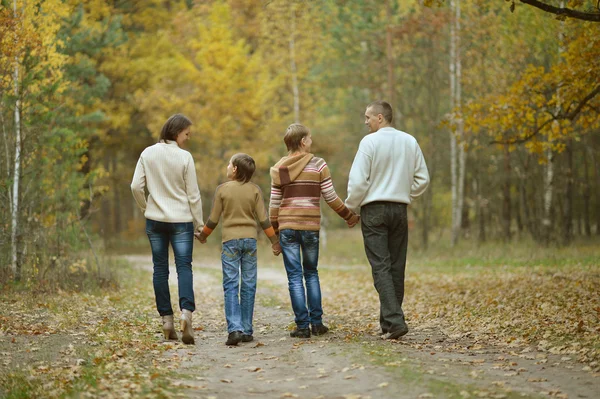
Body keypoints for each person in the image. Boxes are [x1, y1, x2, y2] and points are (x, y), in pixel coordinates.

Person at [345, 101, 429, 340]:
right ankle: (389, 323)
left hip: (374, 210)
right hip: (399, 209)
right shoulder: (409, 141)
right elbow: (423, 179)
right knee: (396, 266)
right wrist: (404, 192)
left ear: (380, 117)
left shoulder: (369, 142)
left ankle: (394, 321)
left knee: (381, 266)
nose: (365, 121)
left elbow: (359, 181)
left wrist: (351, 207)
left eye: (368, 117)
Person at [269, 123, 360, 338]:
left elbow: (274, 204)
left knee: (294, 277)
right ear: (302, 141)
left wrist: (274, 233)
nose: (311, 141)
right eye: (309, 138)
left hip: (287, 228)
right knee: (311, 273)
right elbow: (330, 197)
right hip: (310, 227)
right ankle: (317, 324)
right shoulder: (318, 164)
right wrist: (348, 216)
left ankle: (302, 326)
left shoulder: (279, 169)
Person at [130, 114, 203, 345]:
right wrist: (199, 224)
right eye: (186, 134)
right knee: (184, 267)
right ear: (176, 131)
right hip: (181, 220)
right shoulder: (185, 157)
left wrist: (146, 207)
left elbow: (135, 186)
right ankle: (186, 315)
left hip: (155, 219)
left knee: (160, 269)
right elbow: (193, 194)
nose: (187, 138)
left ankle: (167, 321)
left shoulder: (147, 153)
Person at [196, 153, 281, 346]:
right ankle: (247, 330)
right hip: (250, 241)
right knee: (249, 285)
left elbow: (214, 219)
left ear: (234, 169)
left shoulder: (222, 190)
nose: (227, 167)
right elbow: (263, 220)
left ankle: (234, 329)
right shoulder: (255, 190)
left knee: (231, 285)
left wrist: (203, 236)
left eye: (229, 164)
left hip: (230, 242)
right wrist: (274, 242)